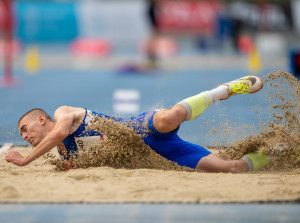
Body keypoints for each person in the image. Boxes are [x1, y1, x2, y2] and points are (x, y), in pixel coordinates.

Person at [6, 76, 268, 172]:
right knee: (232, 167)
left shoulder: (62, 113)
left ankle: (224, 90)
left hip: (140, 127)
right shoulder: (63, 152)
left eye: (25, 130)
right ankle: (276, 153)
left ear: (41, 120)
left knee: (170, 117)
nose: (25, 136)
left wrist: (26, 159)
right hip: (155, 153)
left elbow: (61, 132)